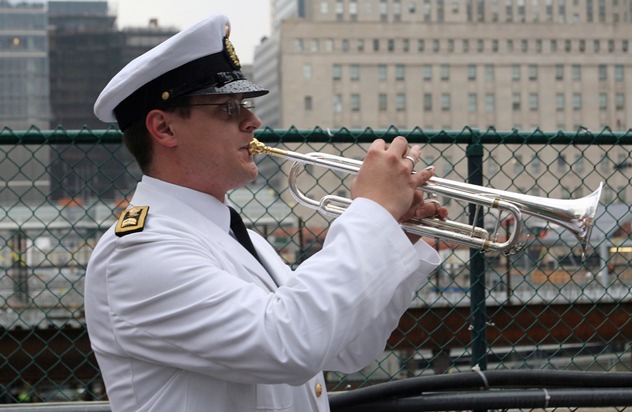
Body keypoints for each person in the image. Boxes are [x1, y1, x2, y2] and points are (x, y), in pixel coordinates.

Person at [84, 13, 447, 412]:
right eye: (227, 108)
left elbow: (346, 349)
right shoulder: (137, 251)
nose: (252, 121)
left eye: (245, 105)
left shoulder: (239, 237)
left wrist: (394, 239)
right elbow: (288, 344)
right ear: (164, 129)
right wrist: (373, 212)